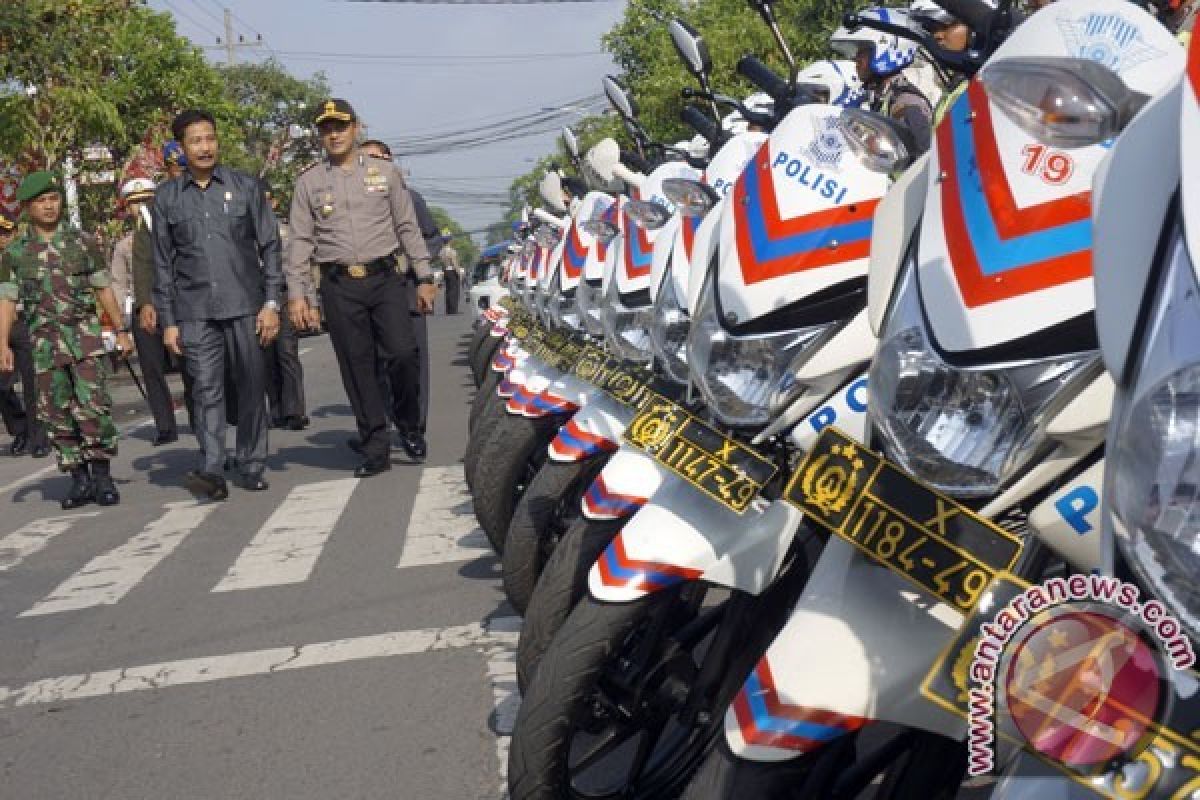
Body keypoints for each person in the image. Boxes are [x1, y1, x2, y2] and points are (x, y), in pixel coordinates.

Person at [287, 99, 435, 476]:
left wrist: (425, 276)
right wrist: (298, 294)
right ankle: (375, 445)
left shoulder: (386, 173)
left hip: (386, 279)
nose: (333, 135)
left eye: (340, 126)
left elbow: (407, 227)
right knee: (358, 367)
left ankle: (409, 423)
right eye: (326, 129)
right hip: (338, 285)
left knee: (403, 354)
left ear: (356, 128)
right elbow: (300, 242)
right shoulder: (309, 183)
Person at [152, 109, 283, 500]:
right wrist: (169, 321)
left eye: (209, 138)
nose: (205, 147)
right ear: (181, 148)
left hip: (246, 305)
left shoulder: (245, 187)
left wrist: (272, 302)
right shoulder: (167, 198)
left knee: (250, 386)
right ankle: (211, 466)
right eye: (196, 141)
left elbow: (271, 246)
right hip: (194, 312)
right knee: (206, 390)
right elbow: (162, 263)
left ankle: (252, 463)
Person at [0, 172, 132, 508]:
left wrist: (120, 330)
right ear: (28, 207)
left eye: (53, 199)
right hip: (43, 346)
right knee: (56, 412)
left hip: (84, 339)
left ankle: (102, 476)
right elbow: (7, 300)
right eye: (40, 201)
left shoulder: (82, 242)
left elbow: (103, 287)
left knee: (92, 407)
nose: (48, 206)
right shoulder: (16, 253)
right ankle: (78, 478)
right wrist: (2, 344)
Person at [359, 138, 434, 438]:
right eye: (365, 161)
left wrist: (420, 271)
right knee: (374, 363)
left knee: (409, 360)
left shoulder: (410, 198)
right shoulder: (354, 202)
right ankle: (382, 426)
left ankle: (414, 426)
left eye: (378, 159)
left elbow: (432, 238)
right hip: (370, 292)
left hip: (406, 289)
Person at [831, 9, 934, 155]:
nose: (856, 59)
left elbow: (919, 160)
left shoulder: (906, 104)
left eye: (863, 51)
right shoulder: (877, 97)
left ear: (888, 49)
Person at [261, 180, 309, 431]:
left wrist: (305, 300)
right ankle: (277, 409)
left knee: (287, 353)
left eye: (267, 198)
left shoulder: (286, 232)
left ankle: (295, 411)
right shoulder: (244, 232)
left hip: (285, 295)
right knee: (266, 357)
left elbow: (299, 267)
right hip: (257, 300)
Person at [439, 230, 462, 314]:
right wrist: (459, 273)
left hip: (445, 271)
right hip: (452, 271)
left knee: (448, 290)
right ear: (450, 240)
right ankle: (453, 309)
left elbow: (442, 264)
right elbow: (454, 263)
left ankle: (448, 309)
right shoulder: (451, 251)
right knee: (454, 290)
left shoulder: (441, 252)